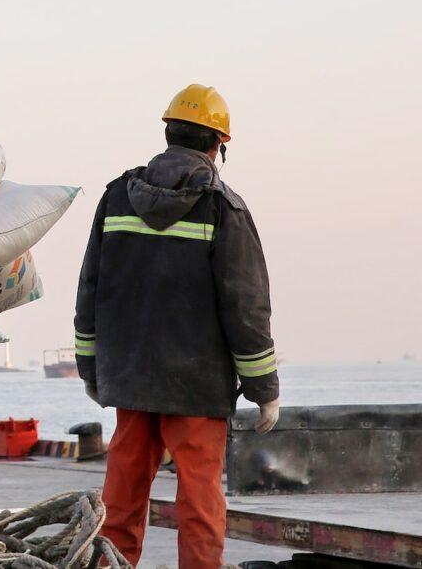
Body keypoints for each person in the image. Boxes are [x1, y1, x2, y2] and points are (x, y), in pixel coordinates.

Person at [74, 84, 280, 569]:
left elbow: (91, 289)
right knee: (200, 502)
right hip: (196, 386)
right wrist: (263, 388)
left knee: (121, 496)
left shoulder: (117, 198)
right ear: (217, 145)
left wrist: (91, 369)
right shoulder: (222, 208)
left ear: (168, 134)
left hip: (130, 380)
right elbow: (246, 306)